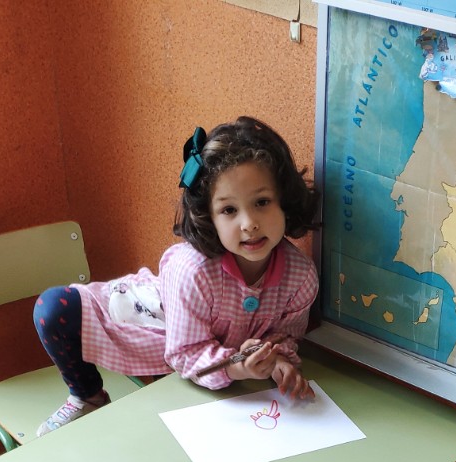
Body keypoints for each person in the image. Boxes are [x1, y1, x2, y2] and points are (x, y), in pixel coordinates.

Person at [31, 115, 320, 435]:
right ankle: (87, 397)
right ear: (208, 217)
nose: (249, 223)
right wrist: (236, 367)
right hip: (161, 326)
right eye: (229, 210)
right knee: (53, 308)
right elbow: (185, 352)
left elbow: (285, 336)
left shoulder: (301, 276)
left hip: (212, 363)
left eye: (262, 202)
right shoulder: (192, 270)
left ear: (285, 201)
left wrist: (279, 361)